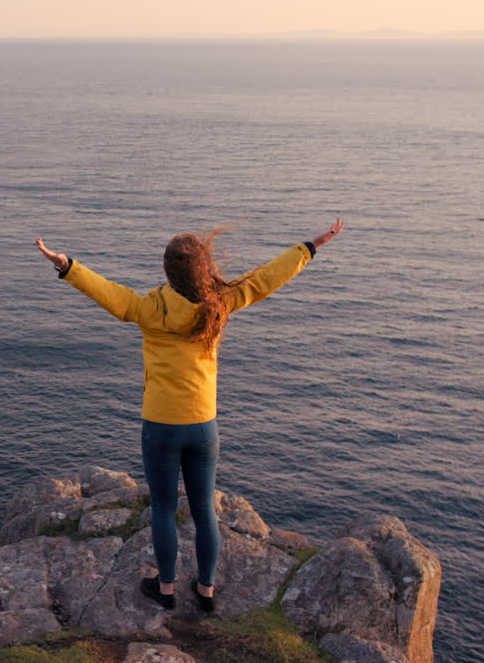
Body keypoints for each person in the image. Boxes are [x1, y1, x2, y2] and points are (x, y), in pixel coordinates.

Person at [35, 219, 344, 613]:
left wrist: (66, 265)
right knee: (203, 510)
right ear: (204, 267)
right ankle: (206, 590)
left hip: (161, 425)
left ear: (166, 270)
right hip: (203, 426)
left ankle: (165, 590)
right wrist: (309, 247)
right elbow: (265, 278)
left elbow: (108, 292)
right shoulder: (221, 302)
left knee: (163, 507)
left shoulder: (150, 308)